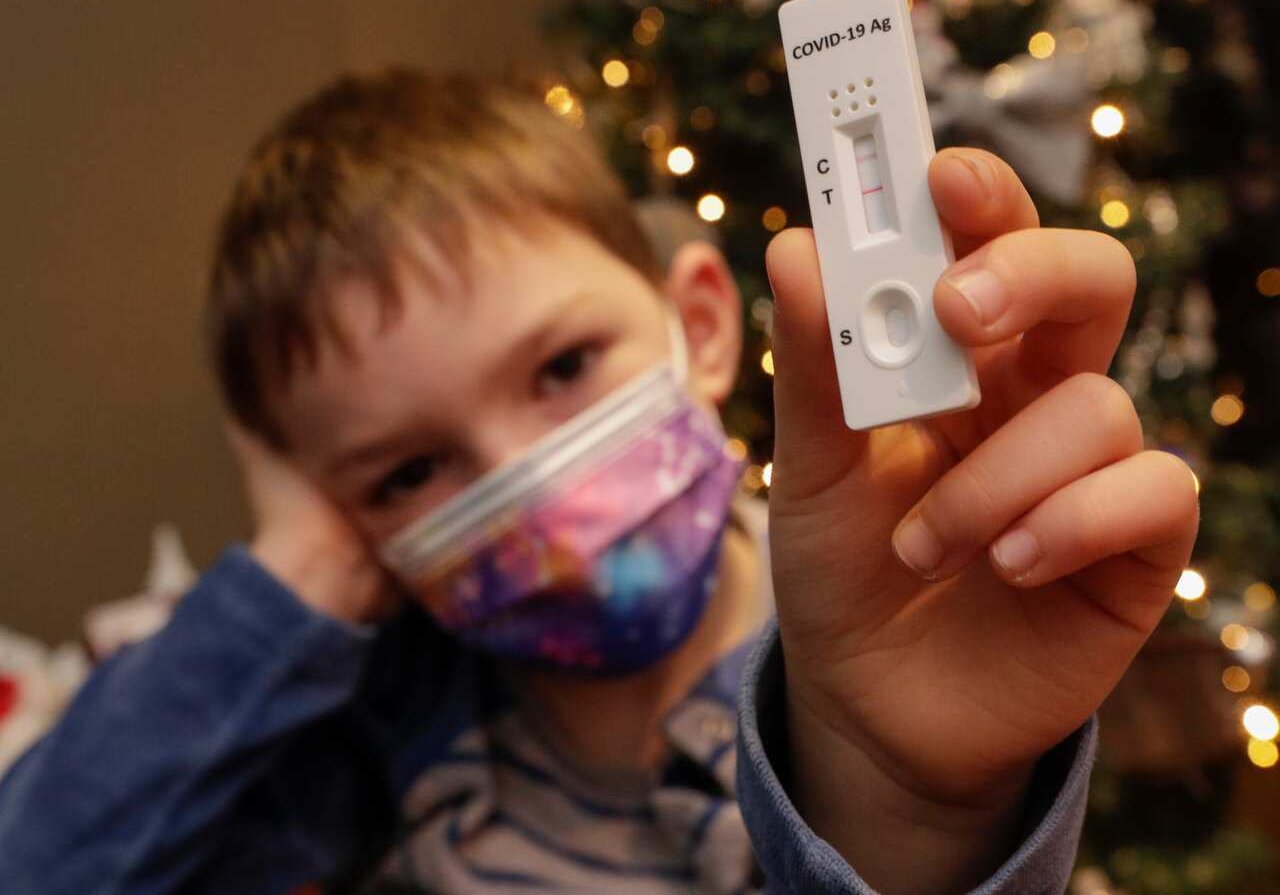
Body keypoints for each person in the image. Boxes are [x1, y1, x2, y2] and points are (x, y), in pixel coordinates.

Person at [0, 69, 1199, 895]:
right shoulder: (398, 718)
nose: (535, 498)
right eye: (409, 469)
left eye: (564, 367)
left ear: (699, 325)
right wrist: (294, 571)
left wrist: (919, 812)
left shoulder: (900, 638)